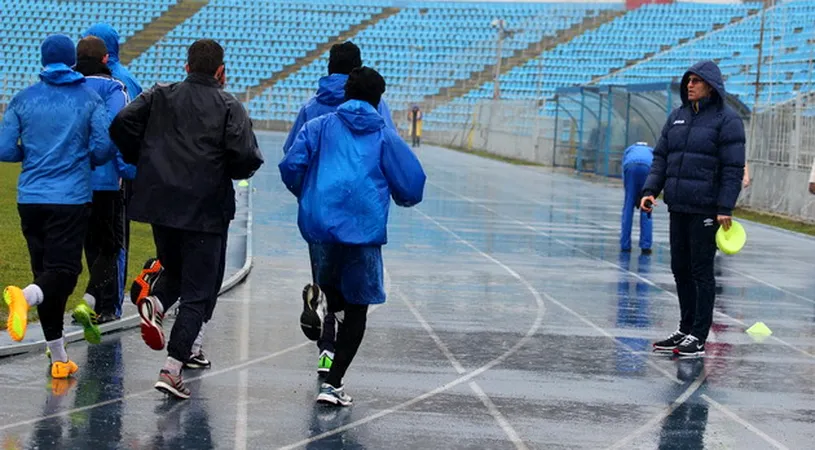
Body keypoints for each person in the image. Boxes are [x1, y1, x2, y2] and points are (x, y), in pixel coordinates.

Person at [109, 39, 264, 399]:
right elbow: (247, 157)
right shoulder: (229, 105)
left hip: (161, 203)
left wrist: (145, 159)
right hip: (205, 211)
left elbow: (120, 125)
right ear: (221, 72)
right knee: (199, 292)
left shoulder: (158, 94)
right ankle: (173, 367)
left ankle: (157, 303)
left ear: (186, 66)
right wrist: (224, 169)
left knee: (175, 272)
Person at [279, 67, 426, 406]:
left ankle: (324, 301)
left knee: (331, 285)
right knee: (358, 309)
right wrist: (400, 198)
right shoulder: (384, 136)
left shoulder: (319, 127)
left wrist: (309, 193)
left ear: (346, 94)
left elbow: (290, 166)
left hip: (320, 226)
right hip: (362, 230)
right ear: (379, 100)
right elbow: (412, 184)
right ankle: (333, 384)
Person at [0, 35, 115, 377]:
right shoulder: (89, 99)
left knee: (47, 274)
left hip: (31, 197)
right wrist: (83, 159)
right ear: (72, 61)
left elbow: (5, 149)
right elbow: (104, 148)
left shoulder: (22, 98)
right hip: (70, 197)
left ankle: (59, 357)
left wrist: (31, 155)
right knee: (65, 273)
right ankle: (23, 297)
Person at [282, 41, 396, 377]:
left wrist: (308, 195)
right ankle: (336, 373)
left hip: (320, 214)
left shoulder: (312, 107)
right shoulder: (377, 107)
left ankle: (326, 349)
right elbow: (390, 149)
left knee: (325, 282)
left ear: (330, 67)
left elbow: (291, 156)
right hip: (362, 214)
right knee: (357, 294)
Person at [641, 60, 745, 357]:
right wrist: (650, 190)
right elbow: (661, 158)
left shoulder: (728, 120)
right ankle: (685, 329)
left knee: (701, 271)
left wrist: (725, 206)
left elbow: (732, 168)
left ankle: (699, 336)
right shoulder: (677, 117)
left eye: (696, 81)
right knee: (680, 269)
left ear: (710, 86)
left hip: (706, 210)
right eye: (688, 80)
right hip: (679, 205)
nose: (690, 85)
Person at [74, 35, 136, 324]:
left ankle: (93, 302)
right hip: (108, 180)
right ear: (106, 57)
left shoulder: (68, 86)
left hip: (73, 181)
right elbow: (120, 130)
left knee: (89, 243)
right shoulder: (117, 86)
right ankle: (102, 304)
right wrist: (129, 170)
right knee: (112, 245)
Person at [620, 142, 653, 254]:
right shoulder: (651, 151)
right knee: (647, 208)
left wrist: (631, 195)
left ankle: (625, 245)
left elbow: (624, 174)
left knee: (628, 209)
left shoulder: (629, 149)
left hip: (630, 166)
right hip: (648, 167)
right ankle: (646, 246)